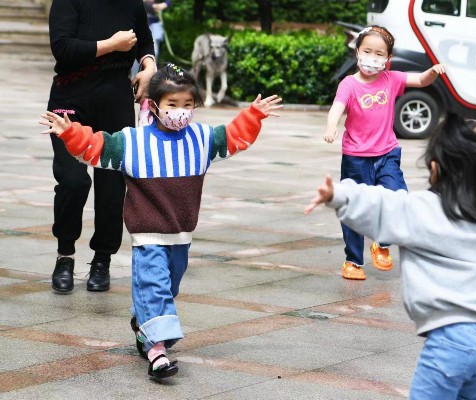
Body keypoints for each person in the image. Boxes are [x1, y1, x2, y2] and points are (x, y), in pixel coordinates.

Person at [40, 63, 283, 379]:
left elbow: (233, 137)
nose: (180, 111)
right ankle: (157, 352)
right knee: (155, 288)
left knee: (168, 287)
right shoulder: (133, 142)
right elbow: (97, 147)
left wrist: (253, 115)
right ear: (154, 106)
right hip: (148, 236)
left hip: (181, 236)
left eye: (187, 104)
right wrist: (70, 132)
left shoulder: (201, 138)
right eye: (172, 104)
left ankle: (142, 320)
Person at [305, 114, 476, 399]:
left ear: (435, 168)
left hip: (451, 341)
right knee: (468, 394)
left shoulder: (424, 210)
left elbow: (383, 204)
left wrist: (339, 195)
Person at [47, 0, 156, 294]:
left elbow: (144, 39)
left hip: (115, 100)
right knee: (72, 180)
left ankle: (102, 260)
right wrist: (111, 45)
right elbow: (63, 48)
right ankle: (65, 256)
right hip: (70, 100)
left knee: (111, 185)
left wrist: (149, 66)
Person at [324, 25, 445, 280]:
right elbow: (337, 106)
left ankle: (382, 244)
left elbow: (421, 80)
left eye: (379, 53)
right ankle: (353, 261)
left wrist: (432, 72)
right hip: (356, 157)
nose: (372, 57)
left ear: (388, 58)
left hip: (387, 153)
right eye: (367, 51)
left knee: (398, 199)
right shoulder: (349, 84)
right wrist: (331, 126)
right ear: (357, 52)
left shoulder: (391, 79)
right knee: (354, 207)